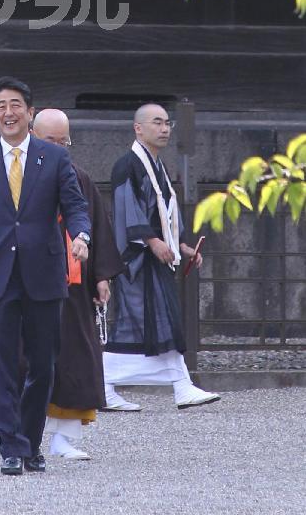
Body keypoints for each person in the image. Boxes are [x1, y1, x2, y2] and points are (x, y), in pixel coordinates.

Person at [0, 77, 91, 476]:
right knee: (1, 363)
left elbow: (76, 206)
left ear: (30, 113)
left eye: (16, 105)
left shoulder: (54, 157)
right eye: (1, 106)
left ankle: (31, 442)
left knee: (43, 363)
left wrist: (80, 236)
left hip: (44, 273)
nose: (8, 113)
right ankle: (10, 446)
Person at [104, 103, 220, 409]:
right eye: (157, 123)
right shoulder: (127, 165)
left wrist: (181, 246)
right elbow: (127, 211)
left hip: (157, 258)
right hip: (138, 259)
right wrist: (152, 241)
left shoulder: (157, 166)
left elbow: (166, 212)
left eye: (168, 123)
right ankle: (174, 385)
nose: (165, 128)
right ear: (138, 128)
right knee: (141, 322)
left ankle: (107, 383)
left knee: (156, 323)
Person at [32, 108, 124, 460]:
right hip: (31, 283)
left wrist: (101, 275)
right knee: (30, 361)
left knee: (77, 360)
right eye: (49, 141)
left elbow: (97, 226)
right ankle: (26, 436)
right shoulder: (19, 176)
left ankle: (64, 438)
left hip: (73, 285)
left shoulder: (80, 178)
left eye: (63, 141)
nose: (57, 148)